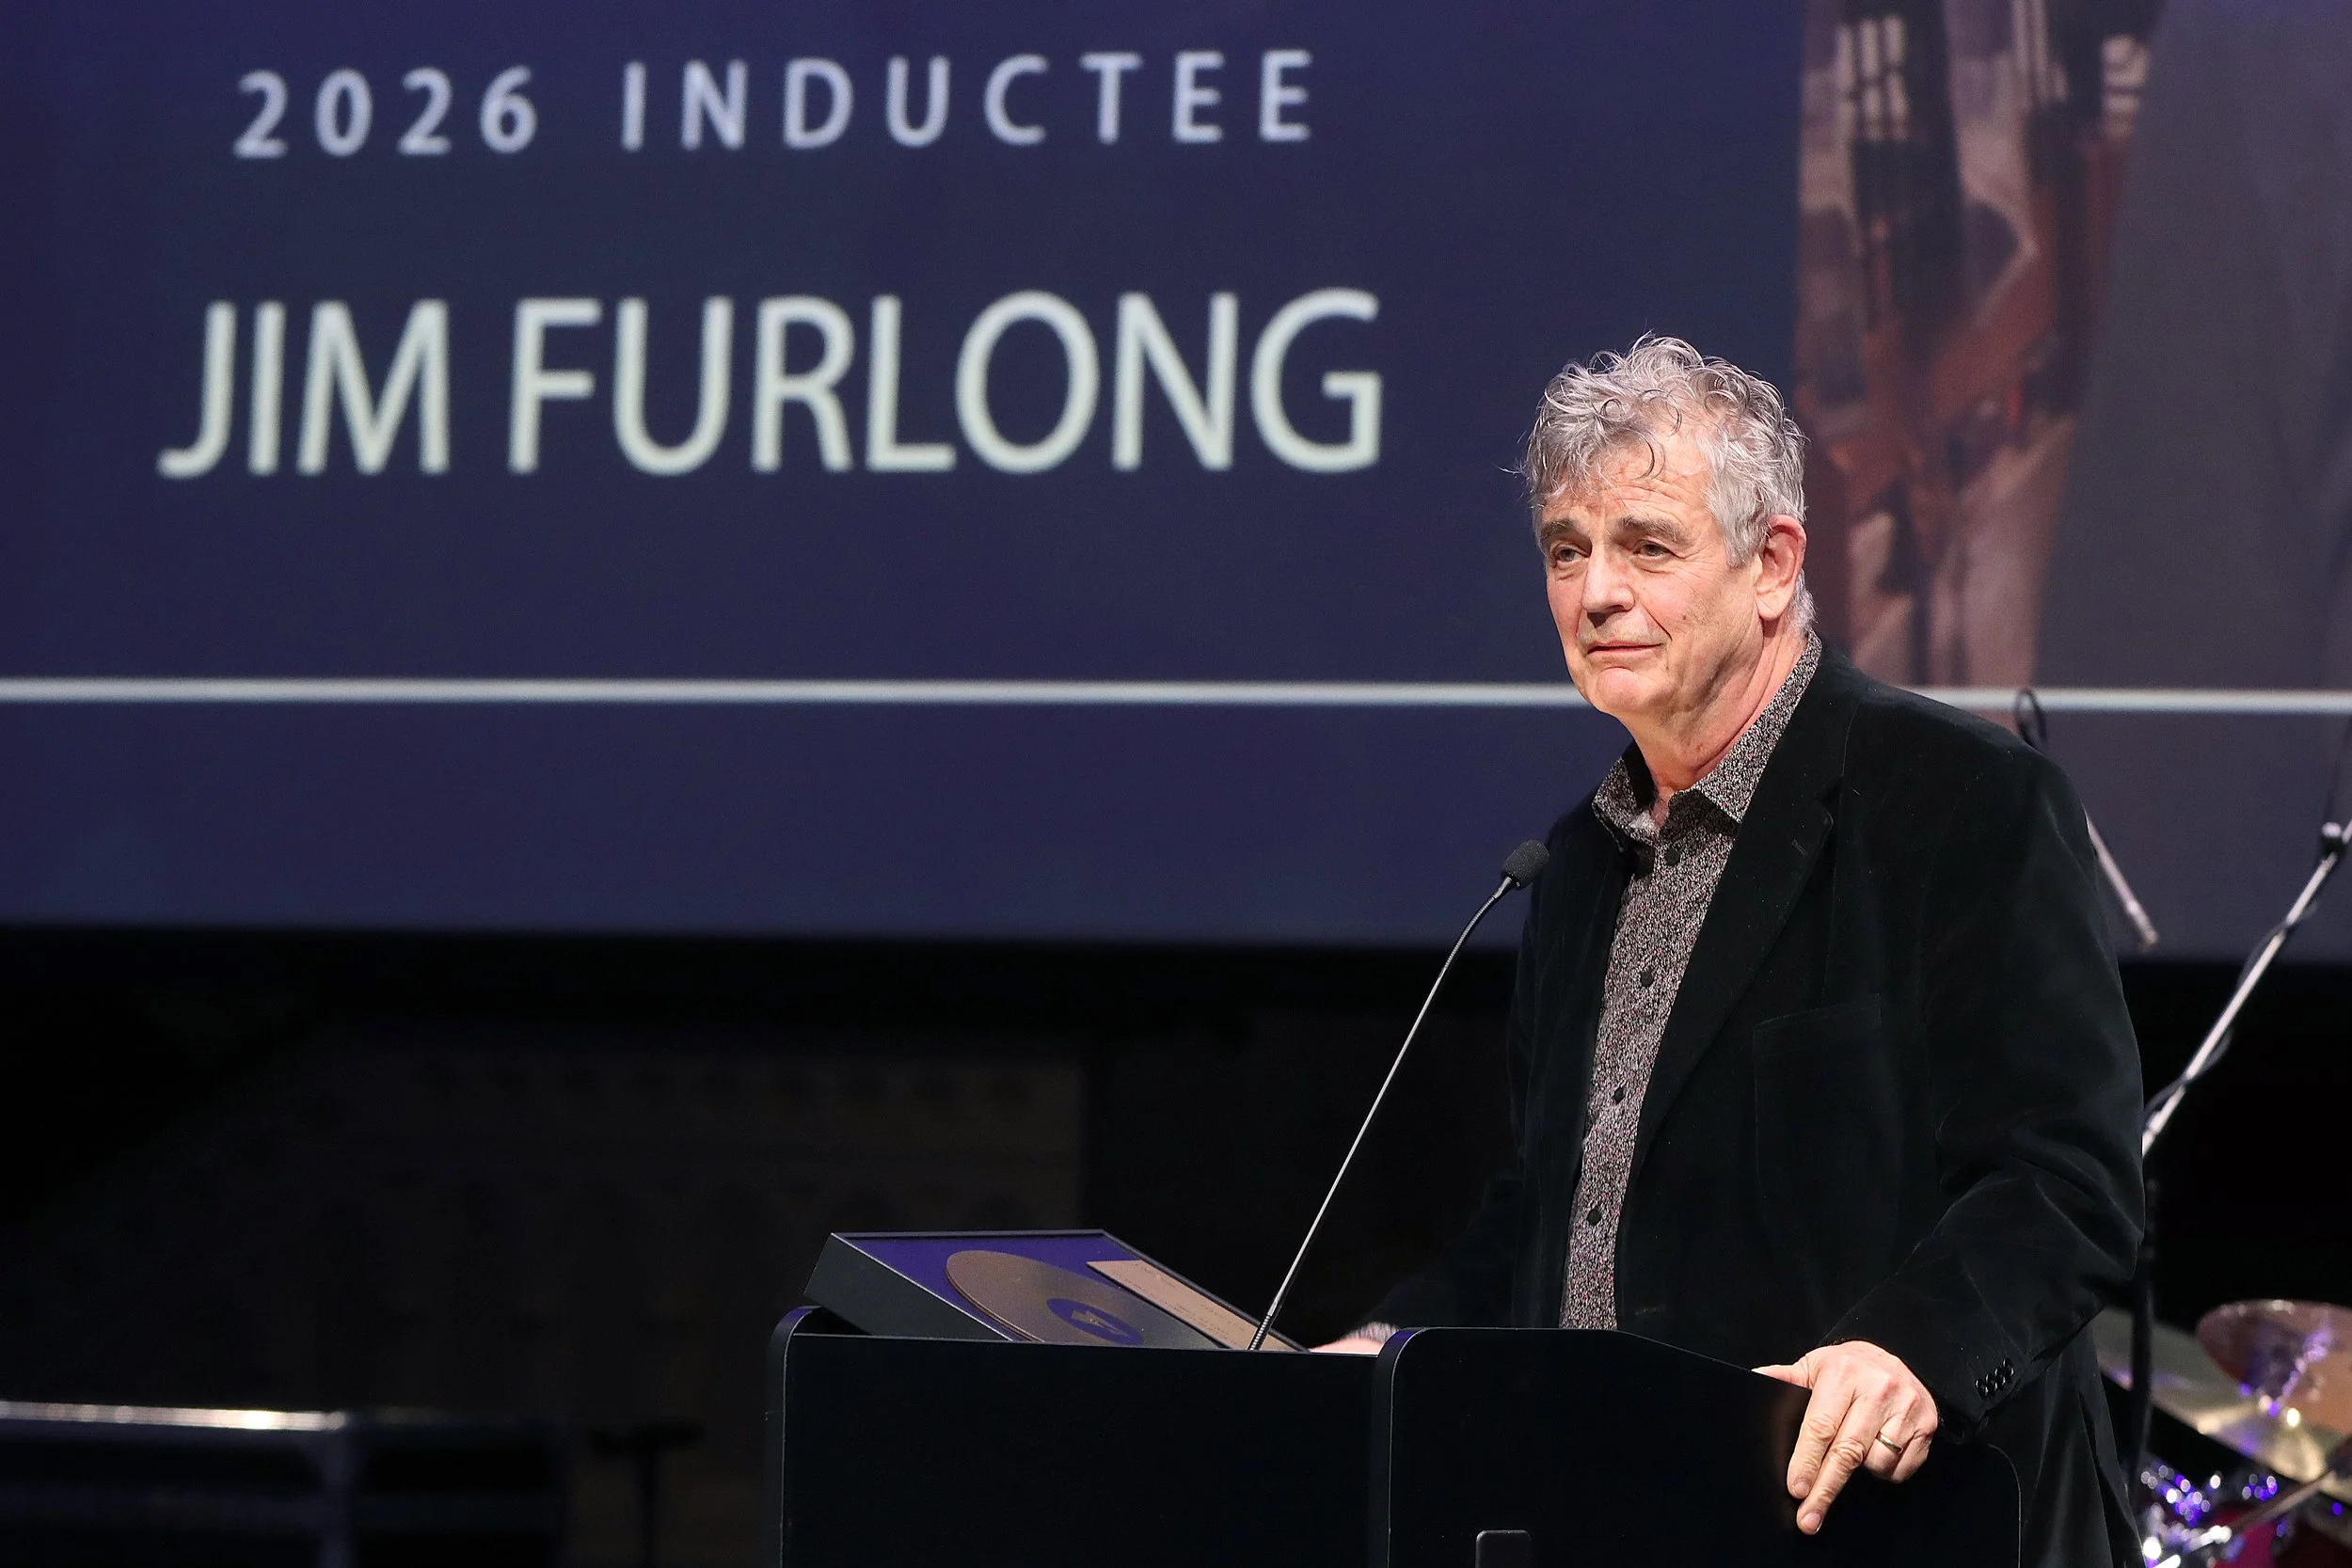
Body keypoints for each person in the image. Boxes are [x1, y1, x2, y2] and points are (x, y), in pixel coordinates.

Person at [1323, 338, 2144, 1568]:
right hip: (1622, 1522)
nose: (1596, 592)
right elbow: (1557, 1211)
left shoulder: (1962, 800)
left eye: (1647, 546)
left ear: (1773, 565)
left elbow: (2065, 1176)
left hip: (1898, 1528)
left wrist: (1909, 1349)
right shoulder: (1575, 865)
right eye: (1566, 549)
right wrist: (1386, 1350)